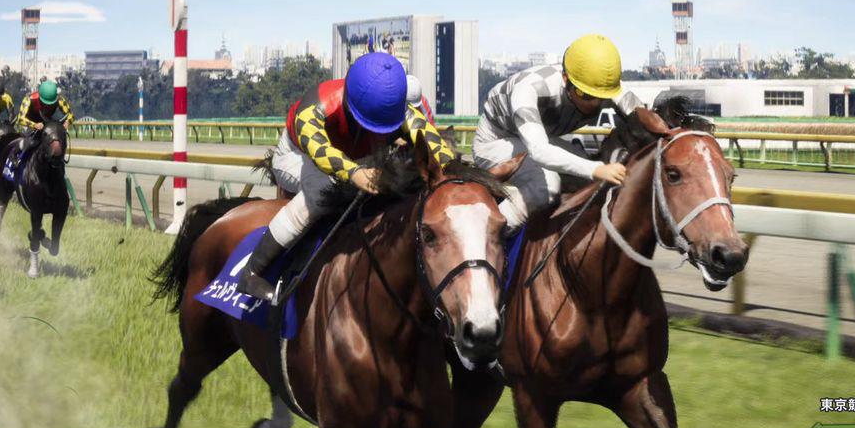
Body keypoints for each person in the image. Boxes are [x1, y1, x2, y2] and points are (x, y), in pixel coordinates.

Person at [236, 51, 456, 302]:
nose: (380, 133)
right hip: (298, 156)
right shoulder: (317, 105)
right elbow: (318, 149)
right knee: (322, 191)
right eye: (372, 124)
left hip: (353, 156)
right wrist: (354, 172)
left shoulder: (397, 108)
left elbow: (434, 144)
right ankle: (252, 272)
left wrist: (454, 173)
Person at [473, 34, 641, 230]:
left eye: (600, 97)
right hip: (495, 142)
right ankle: (486, 232)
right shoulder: (528, 89)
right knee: (546, 186)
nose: (593, 104)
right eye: (586, 95)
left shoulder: (603, 85)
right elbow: (539, 150)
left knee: (585, 178)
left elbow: (647, 118)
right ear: (565, 78)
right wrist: (595, 169)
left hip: (538, 139)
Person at [16, 77, 74, 149]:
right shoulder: (29, 99)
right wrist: (34, 125)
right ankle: (19, 154)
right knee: (29, 143)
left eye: (51, 103)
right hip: (29, 124)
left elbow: (71, 114)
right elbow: (20, 119)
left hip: (46, 122)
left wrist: (68, 121)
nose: (48, 106)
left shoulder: (59, 99)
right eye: (45, 103)